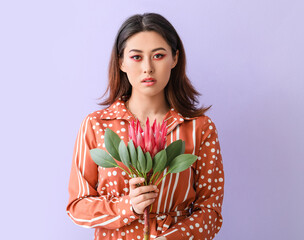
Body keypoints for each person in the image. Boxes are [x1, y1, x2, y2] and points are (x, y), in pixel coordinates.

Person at [66, 13, 224, 240]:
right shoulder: (96, 125)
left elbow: (211, 212)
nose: (148, 68)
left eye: (158, 55)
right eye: (136, 57)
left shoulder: (199, 128)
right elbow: (77, 207)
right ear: (121, 62)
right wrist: (127, 206)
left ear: (175, 58)